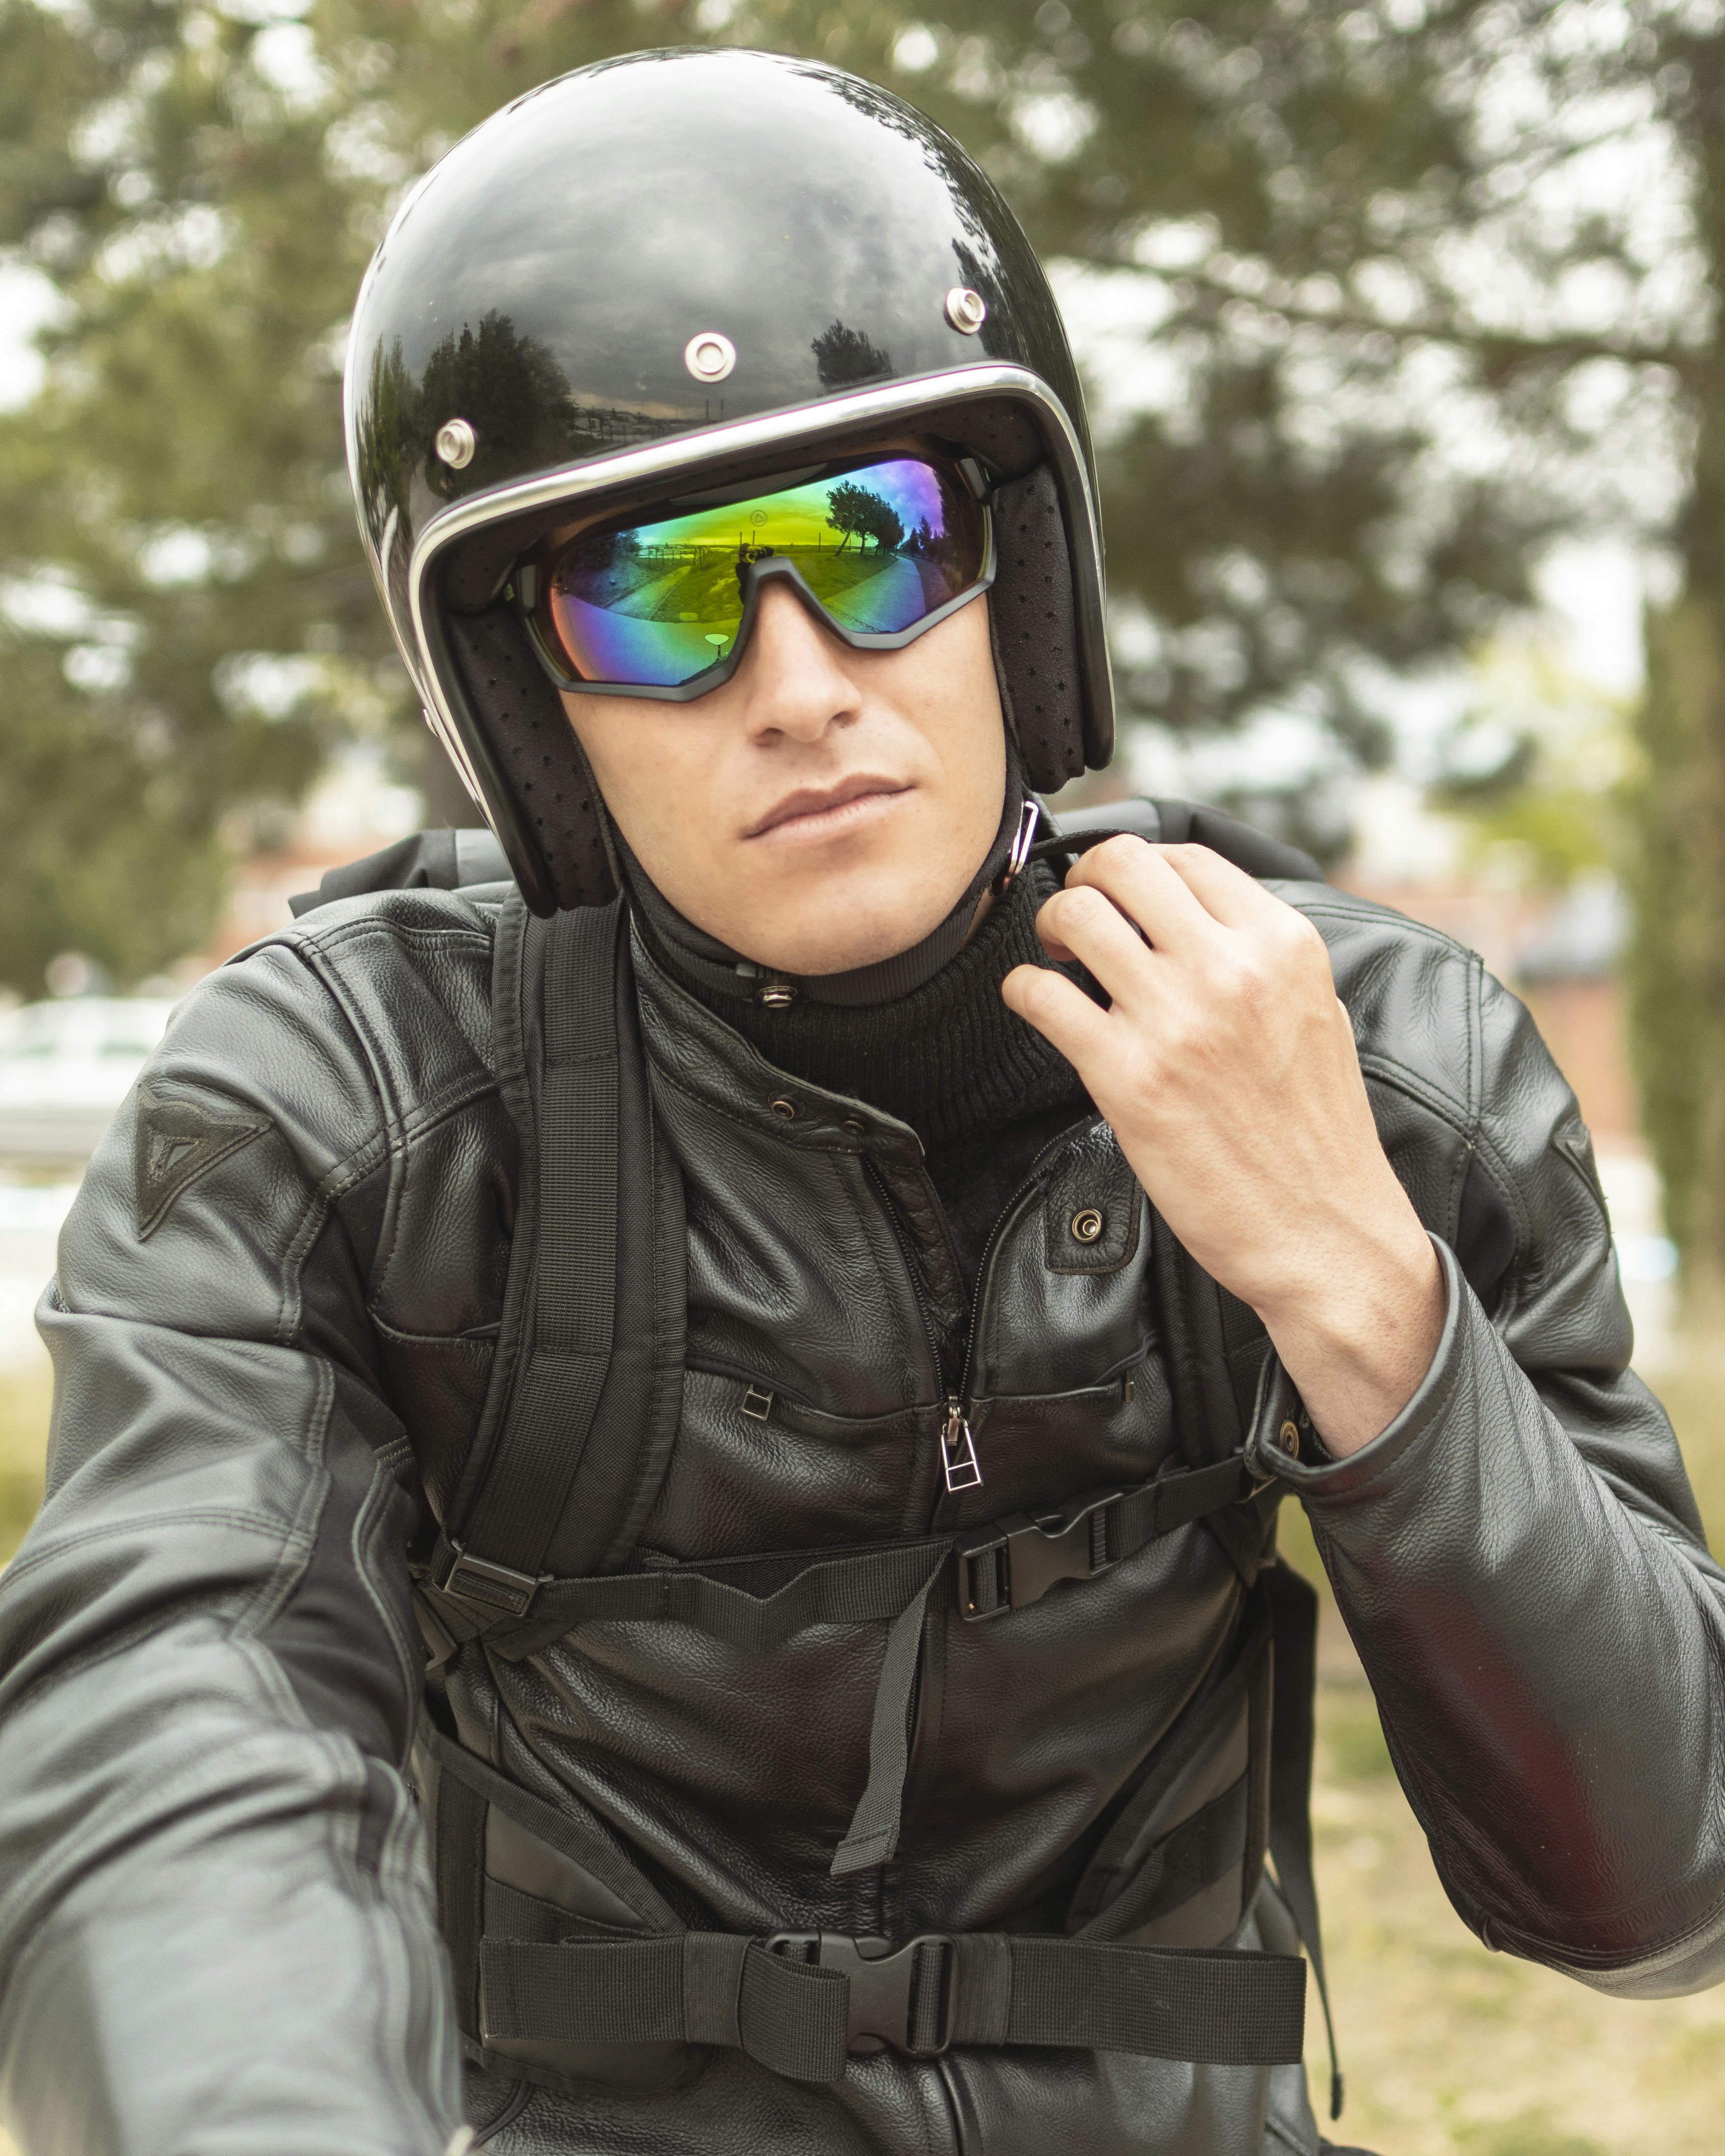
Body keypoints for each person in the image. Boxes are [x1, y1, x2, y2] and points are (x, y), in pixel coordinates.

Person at [0, 48, 1721, 2156]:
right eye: (653, 592)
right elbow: (179, 1722)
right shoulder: (351, 1108)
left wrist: (1360, 1290)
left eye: (873, 538)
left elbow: (1655, 1889)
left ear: (1015, 572)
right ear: (528, 706)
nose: (801, 679)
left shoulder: (1369, 1055)